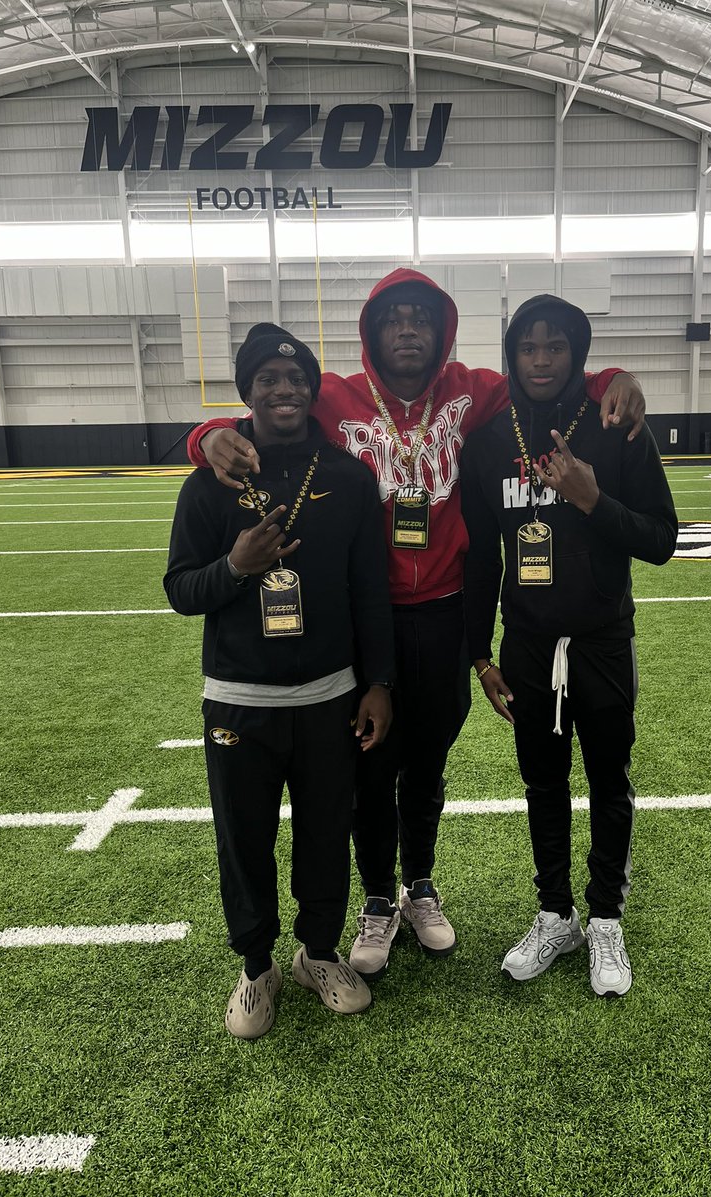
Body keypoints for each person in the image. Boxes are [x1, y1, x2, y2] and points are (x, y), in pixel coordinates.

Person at [185, 268, 647, 983]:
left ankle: (420, 884)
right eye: (394, 319)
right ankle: (377, 897)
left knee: (427, 765)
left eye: (421, 319)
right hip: (361, 620)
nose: (408, 331)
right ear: (373, 332)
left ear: (442, 330)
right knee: (369, 770)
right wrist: (205, 433)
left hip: (442, 612)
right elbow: (263, 419)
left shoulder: (475, 388)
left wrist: (617, 376)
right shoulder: (334, 396)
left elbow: (553, 378)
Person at [164, 323, 395, 1038]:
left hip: (329, 696)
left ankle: (318, 954)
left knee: (327, 834)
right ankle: (256, 966)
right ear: (248, 391)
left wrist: (378, 682)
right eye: (267, 378)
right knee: (244, 838)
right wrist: (235, 566)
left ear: (312, 389)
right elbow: (180, 589)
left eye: (295, 379)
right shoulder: (210, 482)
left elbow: (369, 593)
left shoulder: (349, 477)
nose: (283, 389)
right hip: (240, 700)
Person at [460, 294, 677, 998]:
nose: (543, 359)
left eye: (556, 346)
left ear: (577, 352)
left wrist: (591, 498)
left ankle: (606, 916)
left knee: (610, 782)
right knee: (542, 784)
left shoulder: (617, 425)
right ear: (512, 354)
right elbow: (481, 558)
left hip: (603, 641)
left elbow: (663, 539)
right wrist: (480, 654)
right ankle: (555, 912)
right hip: (524, 646)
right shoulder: (492, 436)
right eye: (529, 346)